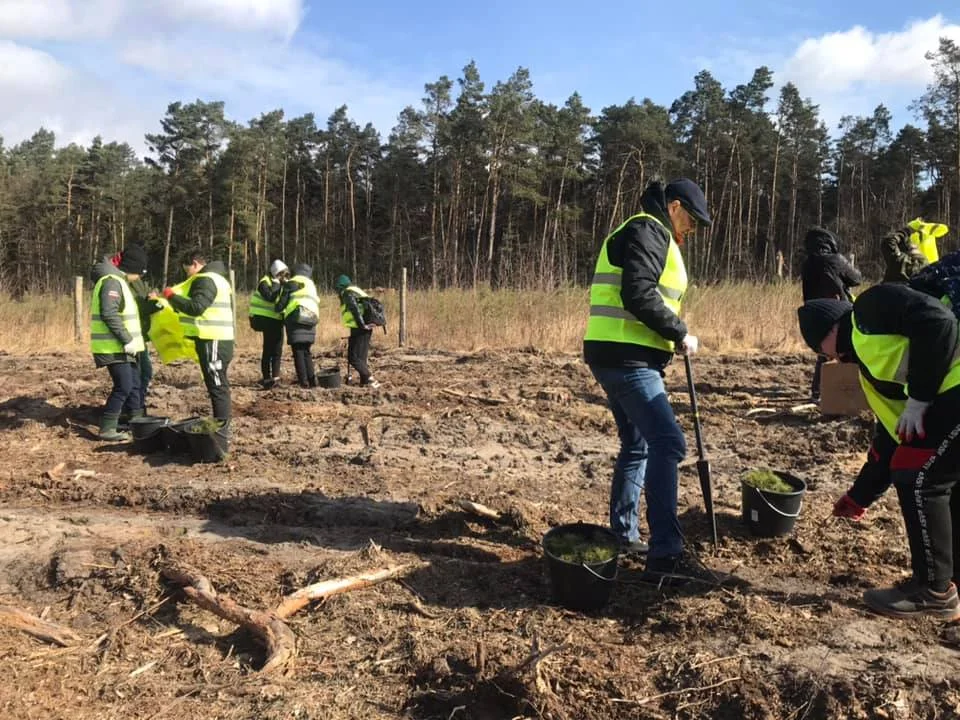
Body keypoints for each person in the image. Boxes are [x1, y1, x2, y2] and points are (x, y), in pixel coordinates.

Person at [797, 285, 960, 621]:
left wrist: (919, 398)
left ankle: (933, 590)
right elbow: (891, 436)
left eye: (820, 349)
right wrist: (860, 496)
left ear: (830, 330)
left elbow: (939, 322)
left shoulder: (869, 309)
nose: (827, 358)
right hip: (948, 402)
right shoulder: (870, 373)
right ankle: (948, 583)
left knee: (919, 477)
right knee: (940, 480)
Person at [582, 177, 714, 584]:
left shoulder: (653, 234)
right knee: (669, 442)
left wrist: (669, 336)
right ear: (674, 207)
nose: (691, 229)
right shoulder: (649, 229)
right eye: (691, 220)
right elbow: (638, 293)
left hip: (617, 354)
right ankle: (666, 555)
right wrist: (678, 331)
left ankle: (624, 535)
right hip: (626, 358)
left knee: (637, 444)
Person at [153, 249, 235, 425]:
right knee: (216, 382)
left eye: (187, 269)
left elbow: (196, 307)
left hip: (213, 339)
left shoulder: (205, 280)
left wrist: (171, 296)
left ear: (195, 264)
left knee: (217, 384)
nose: (187, 274)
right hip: (216, 339)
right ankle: (221, 425)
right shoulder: (218, 279)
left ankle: (222, 428)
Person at [800, 227, 862, 401]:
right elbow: (857, 278)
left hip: (815, 312)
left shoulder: (807, 264)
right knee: (848, 350)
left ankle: (818, 392)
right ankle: (850, 394)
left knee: (824, 351)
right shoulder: (835, 259)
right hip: (837, 311)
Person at [89, 254, 145, 441]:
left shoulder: (119, 282)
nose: (139, 278)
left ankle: (134, 421)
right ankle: (107, 428)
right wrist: (127, 340)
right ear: (133, 269)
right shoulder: (112, 282)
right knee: (123, 386)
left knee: (134, 383)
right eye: (140, 273)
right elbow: (109, 313)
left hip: (122, 346)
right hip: (113, 347)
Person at [278, 263, 320, 388]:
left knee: (298, 352)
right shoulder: (311, 284)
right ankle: (312, 381)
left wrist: (277, 308)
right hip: (312, 319)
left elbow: (281, 304)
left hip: (296, 318)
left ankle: (304, 382)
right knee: (306, 351)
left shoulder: (291, 282)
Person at [250, 259, 289, 389]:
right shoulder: (264, 283)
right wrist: (277, 284)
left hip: (277, 320)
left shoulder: (282, 283)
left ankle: (276, 378)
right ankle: (267, 378)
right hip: (266, 320)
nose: (283, 277)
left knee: (277, 350)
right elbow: (270, 297)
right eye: (281, 274)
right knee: (268, 350)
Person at [335, 274, 379, 389]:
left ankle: (369, 378)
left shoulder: (347, 293)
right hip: (367, 326)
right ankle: (365, 382)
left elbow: (354, 309)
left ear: (340, 286)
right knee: (361, 357)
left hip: (360, 327)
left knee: (353, 357)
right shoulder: (356, 290)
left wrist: (361, 325)